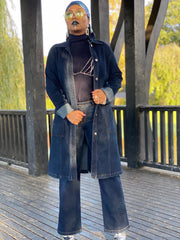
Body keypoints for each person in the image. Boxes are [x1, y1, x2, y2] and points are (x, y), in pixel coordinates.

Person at [45, 1, 129, 240]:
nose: (74, 17)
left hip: (99, 117)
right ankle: (69, 231)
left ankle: (118, 228)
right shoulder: (56, 51)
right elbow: (50, 85)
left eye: (79, 13)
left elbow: (116, 77)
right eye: (69, 14)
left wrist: (106, 94)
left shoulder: (102, 49)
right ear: (65, 20)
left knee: (109, 172)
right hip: (70, 118)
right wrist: (66, 111)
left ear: (88, 19)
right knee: (68, 174)